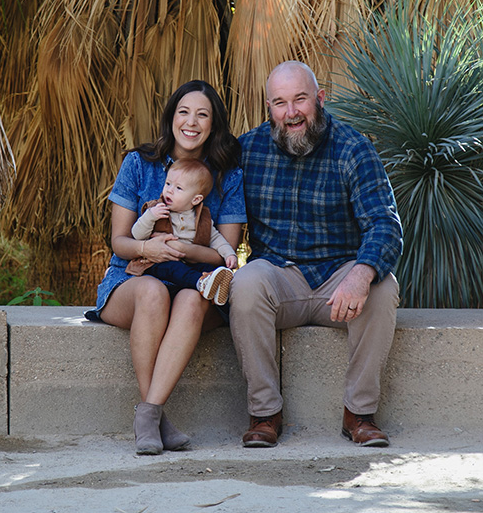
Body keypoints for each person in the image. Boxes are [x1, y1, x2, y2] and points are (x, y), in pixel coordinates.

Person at [231, 61, 403, 448]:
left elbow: (385, 223)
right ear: (269, 107)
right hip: (279, 276)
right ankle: (264, 414)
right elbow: (206, 199)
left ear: (320, 99)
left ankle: (359, 415)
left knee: (382, 285)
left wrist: (360, 274)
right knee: (246, 282)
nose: (290, 113)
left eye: (300, 100)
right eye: (279, 103)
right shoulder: (248, 149)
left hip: (338, 282)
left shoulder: (353, 147)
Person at [85, 80, 246, 455]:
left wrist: (180, 249)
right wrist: (149, 248)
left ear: (214, 124)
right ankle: (153, 415)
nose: (191, 122)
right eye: (183, 112)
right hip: (133, 278)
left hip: (193, 283)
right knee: (154, 292)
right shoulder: (139, 164)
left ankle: (149, 415)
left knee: (191, 300)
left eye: (202, 115)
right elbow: (120, 243)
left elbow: (224, 251)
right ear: (171, 117)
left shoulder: (227, 176)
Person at [126, 158, 237, 305]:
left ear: (196, 199)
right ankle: (201, 283)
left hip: (187, 263)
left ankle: (216, 286)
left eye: (178, 188)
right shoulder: (156, 209)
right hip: (157, 263)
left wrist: (229, 253)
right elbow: (137, 235)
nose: (169, 190)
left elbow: (216, 238)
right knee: (175, 268)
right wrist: (150, 216)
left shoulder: (201, 218)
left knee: (206, 268)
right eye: (168, 184)